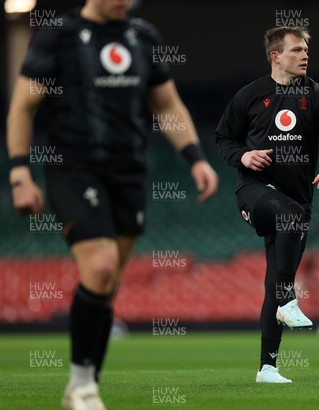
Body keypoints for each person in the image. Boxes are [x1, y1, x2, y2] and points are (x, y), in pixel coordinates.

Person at [7, 1, 218, 409]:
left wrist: (195, 157)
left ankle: (82, 387)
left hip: (130, 173)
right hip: (74, 169)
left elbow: (167, 105)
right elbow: (22, 106)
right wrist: (19, 171)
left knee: (107, 284)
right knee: (100, 268)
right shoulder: (59, 35)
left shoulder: (143, 37)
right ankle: (83, 387)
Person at [215, 26, 319, 383]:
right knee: (289, 225)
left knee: (273, 284)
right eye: (296, 50)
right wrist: (244, 156)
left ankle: (267, 367)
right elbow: (224, 138)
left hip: (298, 201)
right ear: (275, 56)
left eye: (306, 49)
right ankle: (288, 302)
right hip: (255, 192)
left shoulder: (317, 95)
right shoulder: (250, 95)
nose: (305, 55)